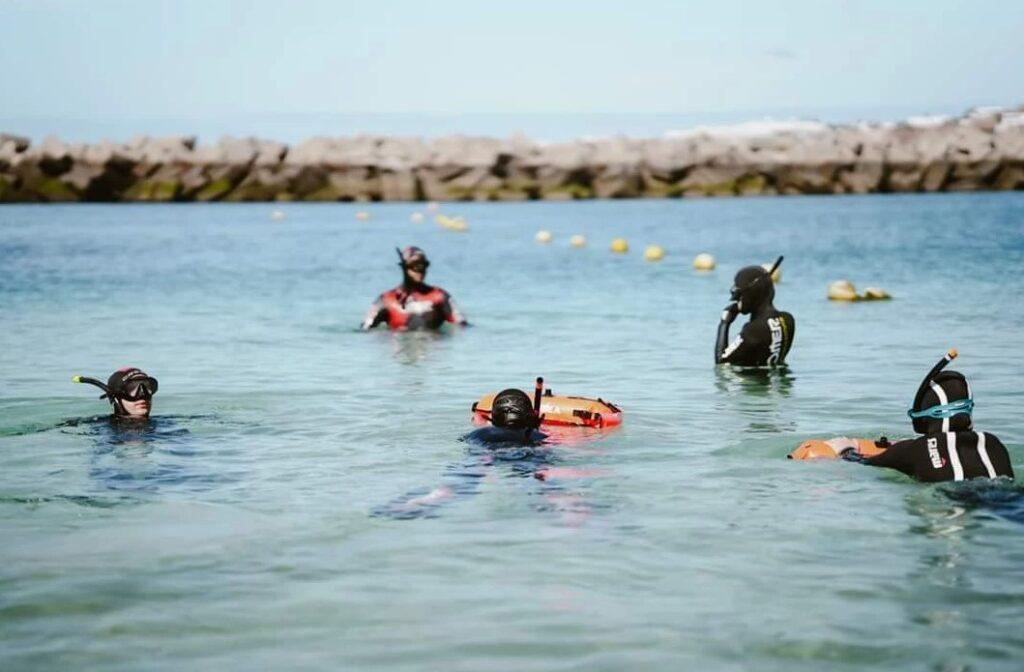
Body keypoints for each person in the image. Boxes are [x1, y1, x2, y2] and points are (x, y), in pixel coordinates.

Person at [790, 351, 1014, 483]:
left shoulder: (915, 450)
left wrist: (845, 447)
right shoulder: (994, 443)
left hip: (957, 503)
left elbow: (862, 461)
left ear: (925, 415)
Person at [361, 246, 467, 330]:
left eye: (424, 265)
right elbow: (364, 330)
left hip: (433, 355)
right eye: (415, 265)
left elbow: (463, 326)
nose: (420, 270)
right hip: (399, 354)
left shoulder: (440, 297)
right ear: (404, 267)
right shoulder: (387, 300)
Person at [715, 256, 795, 367]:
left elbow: (721, 362)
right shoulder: (787, 320)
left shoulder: (753, 331)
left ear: (750, 296)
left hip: (753, 383)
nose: (737, 300)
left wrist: (724, 323)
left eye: (739, 295)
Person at [73, 367, 158, 419]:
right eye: (132, 389)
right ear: (116, 398)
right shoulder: (102, 427)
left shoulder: (164, 424)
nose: (142, 395)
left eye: (147, 388)